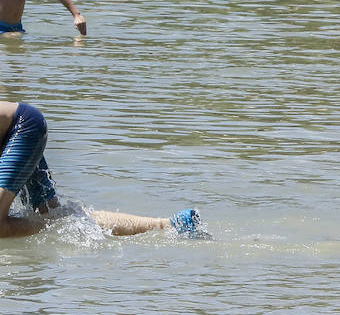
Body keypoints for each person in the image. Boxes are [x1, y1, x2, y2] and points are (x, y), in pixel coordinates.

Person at [1, 100, 201, 239]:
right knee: (51, 213)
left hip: (22, 126)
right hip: (18, 129)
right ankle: (171, 225)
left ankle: (60, 228)